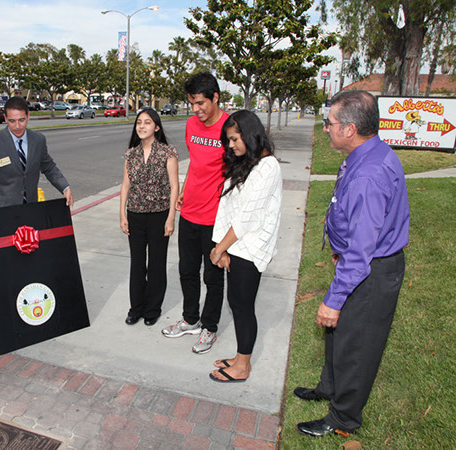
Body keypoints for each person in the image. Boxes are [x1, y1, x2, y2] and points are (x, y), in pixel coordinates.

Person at [295, 90, 410, 437]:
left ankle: (343, 418)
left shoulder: (368, 175)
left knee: (356, 345)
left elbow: (362, 252)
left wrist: (333, 299)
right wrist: (340, 245)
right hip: (361, 259)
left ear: (349, 129)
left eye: (328, 123)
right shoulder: (365, 154)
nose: (324, 128)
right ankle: (329, 388)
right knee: (338, 336)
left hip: (371, 271)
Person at [207, 111, 282, 383]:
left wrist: (218, 249)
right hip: (235, 245)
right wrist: (222, 247)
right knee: (236, 302)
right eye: (228, 140)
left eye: (235, 139)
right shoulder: (247, 163)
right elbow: (227, 208)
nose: (231, 146)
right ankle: (240, 357)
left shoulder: (268, 167)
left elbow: (248, 217)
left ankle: (243, 367)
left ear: (250, 134)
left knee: (242, 305)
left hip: (250, 248)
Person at [161, 72, 229, 354]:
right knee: (187, 271)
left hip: (215, 218)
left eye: (201, 103)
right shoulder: (191, 125)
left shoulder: (230, 127)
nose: (196, 109)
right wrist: (184, 192)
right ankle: (190, 319)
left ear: (215, 98)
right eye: (192, 103)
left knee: (212, 277)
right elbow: (198, 166)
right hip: (189, 211)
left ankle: (210, 328)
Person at [0, 96, 73, 234]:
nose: (17, 126)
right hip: (2, 215)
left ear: (28, 116)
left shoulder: (38, 140)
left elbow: (48, 166)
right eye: (12, 121)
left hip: (30, 212)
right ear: (5, 118)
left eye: (21, 120)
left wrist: (65, 187)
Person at [119, 108, 179, 326]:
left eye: (147, 122)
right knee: (137, 264)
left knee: (156, 263)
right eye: (139, 123)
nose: (141, 126)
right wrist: (122, 214)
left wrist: (171, 217)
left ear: (157, 127)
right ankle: (135, 308)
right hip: (135, 214)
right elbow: (125, 185)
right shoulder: (130, 154)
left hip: (159, 215)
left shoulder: (167, 153)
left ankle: (152, 309)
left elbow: (174, 186)